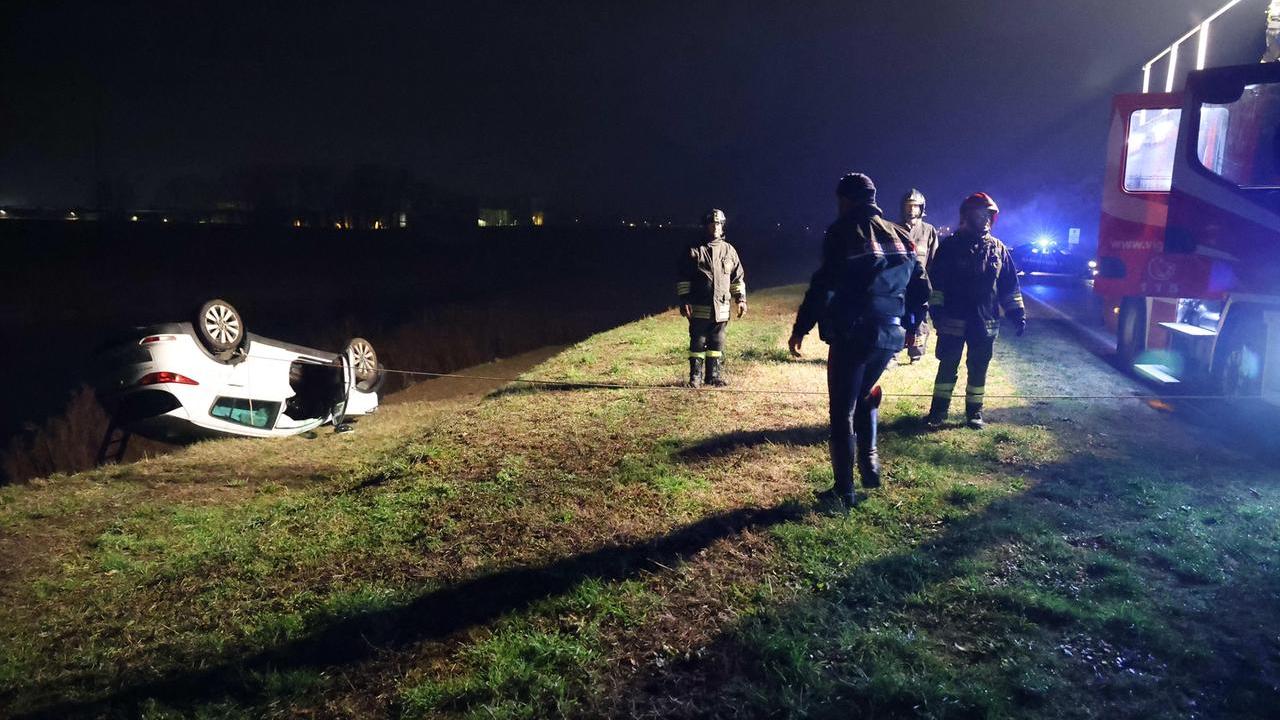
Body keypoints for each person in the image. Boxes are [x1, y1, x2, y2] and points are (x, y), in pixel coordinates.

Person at [788, 173, 930, 508]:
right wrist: (913, 325)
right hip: (890, 335)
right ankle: (870, 468)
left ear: (846, 200)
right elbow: (921, 287)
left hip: (853, 332)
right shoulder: (900, 234)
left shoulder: (843, 231)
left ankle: (844, 490)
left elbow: (823, 283)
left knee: (842, 410)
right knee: (865, 393)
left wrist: (802, 327)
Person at [925, 192, 1026, 430]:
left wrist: (1017, 314)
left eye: (989, 215)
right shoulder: (950, 246)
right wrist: (936, 310)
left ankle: (974, 413)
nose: (985, 219)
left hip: (984, 322)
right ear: (967, 216)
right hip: (953, 320)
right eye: (980, 214)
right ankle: (938, 412)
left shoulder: (998, 249)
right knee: (947, 366)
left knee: (979, 369)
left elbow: (1009, 286)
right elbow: (936, 283)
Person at [677, 209, 747, 387]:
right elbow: (683, 277)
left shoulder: (729, 251)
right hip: (700, 307)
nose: (715, 227)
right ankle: (695, 377)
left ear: (723, 226)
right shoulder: (694, 250)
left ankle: (713, 376)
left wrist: (741, 300)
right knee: (698, 341)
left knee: (717, 341)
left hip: (722, 308)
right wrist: (684, 300)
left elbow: (737, 278)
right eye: (712, 224)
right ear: (705, 226)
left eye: (718, 224)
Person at [901, 189, 940, 363]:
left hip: (921, 284)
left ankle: (915, 354)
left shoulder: (928, 231)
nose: (911, 209)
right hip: (900, 284)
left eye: (915, 206)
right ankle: (893, 354)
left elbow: (934, 260)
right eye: (908, 205)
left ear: (921, 208)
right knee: (898, 318)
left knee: (919, 320)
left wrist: (931, 286)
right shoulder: (894, 229)